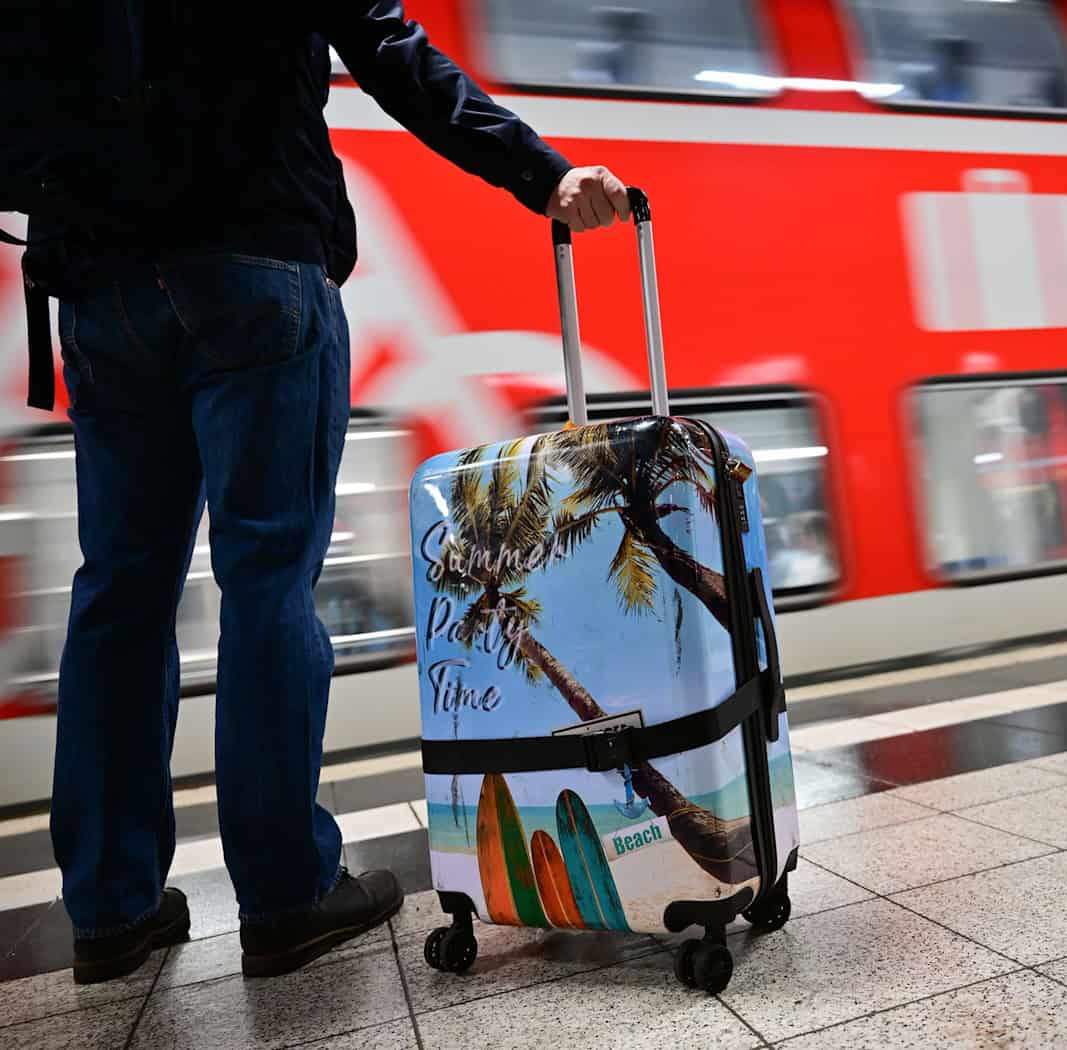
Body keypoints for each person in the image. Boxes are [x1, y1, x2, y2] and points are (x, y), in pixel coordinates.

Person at [25, 2, 630, 985]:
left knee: (118, 593)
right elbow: (390, 48)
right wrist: (542, 173)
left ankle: (109, 907)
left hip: (97, 289)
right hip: (253, 263)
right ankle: (284, 893)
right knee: (265, 579)